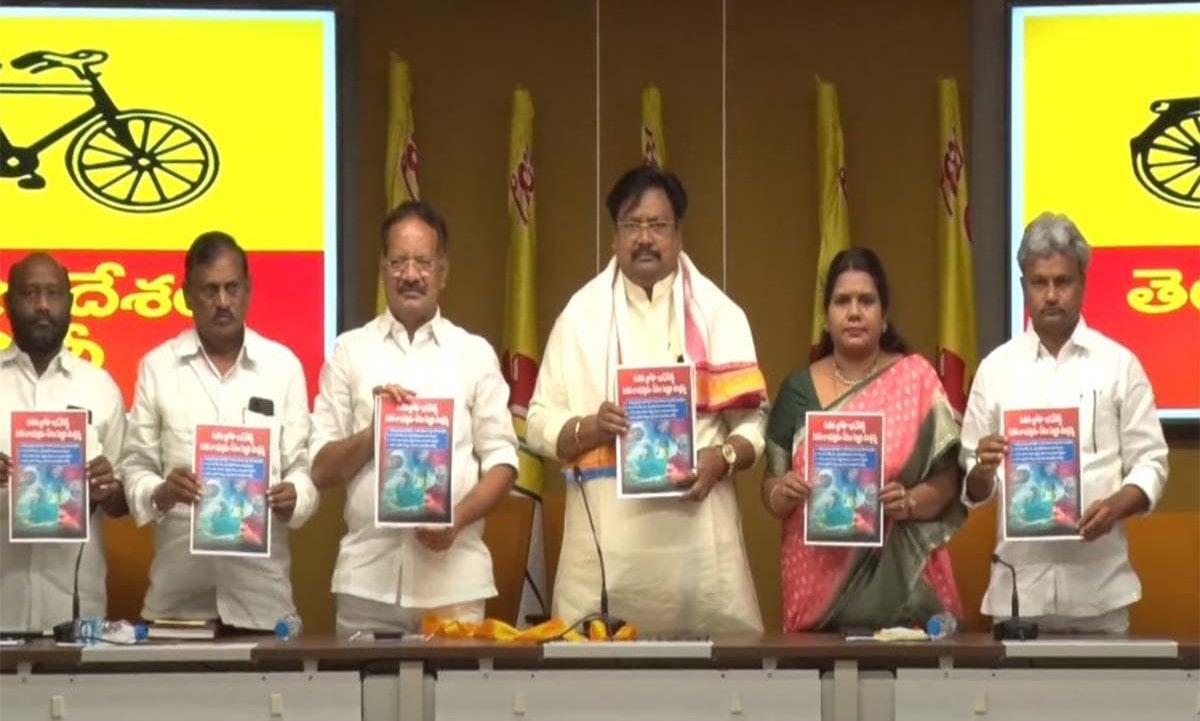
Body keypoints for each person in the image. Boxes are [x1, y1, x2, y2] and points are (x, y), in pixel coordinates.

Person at [526, 166, 769, 633]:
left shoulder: (719, 314)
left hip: (700, 551)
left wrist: (722, 457)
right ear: (614, 236)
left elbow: (755, 421)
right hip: (606, 557)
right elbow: (536, 424)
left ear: (678, 235)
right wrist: (589, 428)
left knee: (713, 677)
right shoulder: (579, 318)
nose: (644, 238)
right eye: (631, 225)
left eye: (657, 225)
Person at [310, 201, 519, 634]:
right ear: (382, 269)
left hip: (454, 584)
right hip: (366, 584)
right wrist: (375, 433)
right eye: (398, 262)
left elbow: (503, 462)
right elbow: (321, 469)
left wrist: (457, 518)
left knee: (457, 685)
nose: (410, 274)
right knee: (362, 684)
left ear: (443, 271)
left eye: (422, 262)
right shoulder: (349, 351)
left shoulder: (473, 353)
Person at [960, 212, 1168, 634]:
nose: (1051, 295)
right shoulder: (995, 369)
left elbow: (1152, 462)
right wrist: (981, 468)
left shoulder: (1120, 364)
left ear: (1083, 283)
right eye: (1040, 282)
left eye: (1063, 281)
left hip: (1101, 591)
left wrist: (1116, 506)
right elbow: (973, 485)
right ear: (1024, 287)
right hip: (1018, 595)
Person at [119, 232, 317, 631]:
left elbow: (302, 465)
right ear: (187, 295)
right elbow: (135, 466)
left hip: (263, 603)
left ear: (248, 290)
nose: (223, 301)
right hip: (176, 604)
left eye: (232, 288)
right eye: (209, 290)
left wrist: (295, 494)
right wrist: (161, 492)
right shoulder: (157, 367)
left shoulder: (282, 366)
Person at [762, 247, 964, 632]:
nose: (854, 312)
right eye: (842, 301)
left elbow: (948, 480)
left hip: (903, 593)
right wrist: (781, 493)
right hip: (816, 594)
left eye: (866, 301)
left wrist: (910, 502)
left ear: (884, 316)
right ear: (827, 318)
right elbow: (770, 483)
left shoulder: (916, 380)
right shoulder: (797, 389)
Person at [0, 252, 127, 632]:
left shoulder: (99, 386)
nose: (42, 305)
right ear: (7, 303)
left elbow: (123, 503)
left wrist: (108, 488)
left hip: (75, 607)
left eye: (53, 293)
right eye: (29, 293)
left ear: (70, 302)